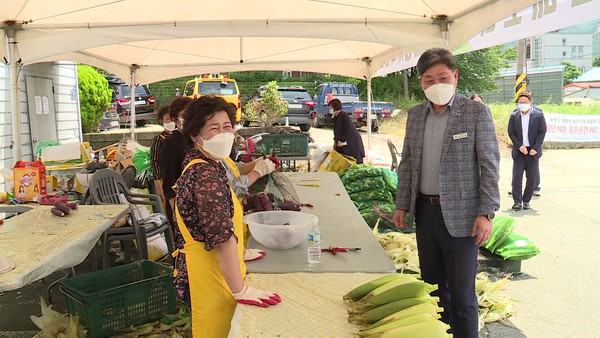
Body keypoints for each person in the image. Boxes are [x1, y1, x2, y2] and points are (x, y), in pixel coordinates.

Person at [392, 48, 500, 338]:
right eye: (429, 79)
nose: (436, 84)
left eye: (442, 77)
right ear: (420, 83)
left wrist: (486, 212)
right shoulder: (415, 116)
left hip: (464, 218)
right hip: (425, 214)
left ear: (455, 76)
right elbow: (408, 163)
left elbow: (489, 164)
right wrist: (402, 205)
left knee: (463, 295)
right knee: (433, 288)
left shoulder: (475, 113)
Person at [173, 96, 281, 337]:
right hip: (213, 276)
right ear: (195, 136)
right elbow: (221, 239)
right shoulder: (205, 176)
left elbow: (213, 221)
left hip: (216, 269)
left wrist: (240, 252)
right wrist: (240, 290)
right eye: (213, 128)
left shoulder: (207, 163)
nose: (223, 134)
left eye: (227, 126)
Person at [508, 90, 547, 210]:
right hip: (520, 151)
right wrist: (519, 145)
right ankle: (517, 201)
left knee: (531, 178)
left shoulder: (538, 115)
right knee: (517, 177)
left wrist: (536, 147)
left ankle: (526, 201)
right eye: (520, 102)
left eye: (525, 102)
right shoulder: (514, 115)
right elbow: (511, 132)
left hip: (532, 152)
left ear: (530, 102)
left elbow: (542, 131)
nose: (523, 104)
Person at [159, 96, 192, 225]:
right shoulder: (170, 144)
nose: (190, 118)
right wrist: (174, 210)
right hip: (179, 205)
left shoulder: (195, 140)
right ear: (175, 119)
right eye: (185, 114)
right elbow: (169, 181)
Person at [150, 105, 175, 201]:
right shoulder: (159, 139)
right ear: (161, 121)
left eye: (173, 119)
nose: (172, 122)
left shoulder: (179, 137)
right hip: (164, 179)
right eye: (168, 119)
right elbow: (154, 161)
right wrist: (158, 184)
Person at [329, 98, 365, 164]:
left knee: (354, 162)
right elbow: (336, 132)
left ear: (336, 107)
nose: (330, 109)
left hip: (352, 142)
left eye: (331, 107)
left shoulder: (344, 115)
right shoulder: (335, 117)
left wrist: (342, 141)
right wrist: (335, 144)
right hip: (342, 144)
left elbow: (348, 129)